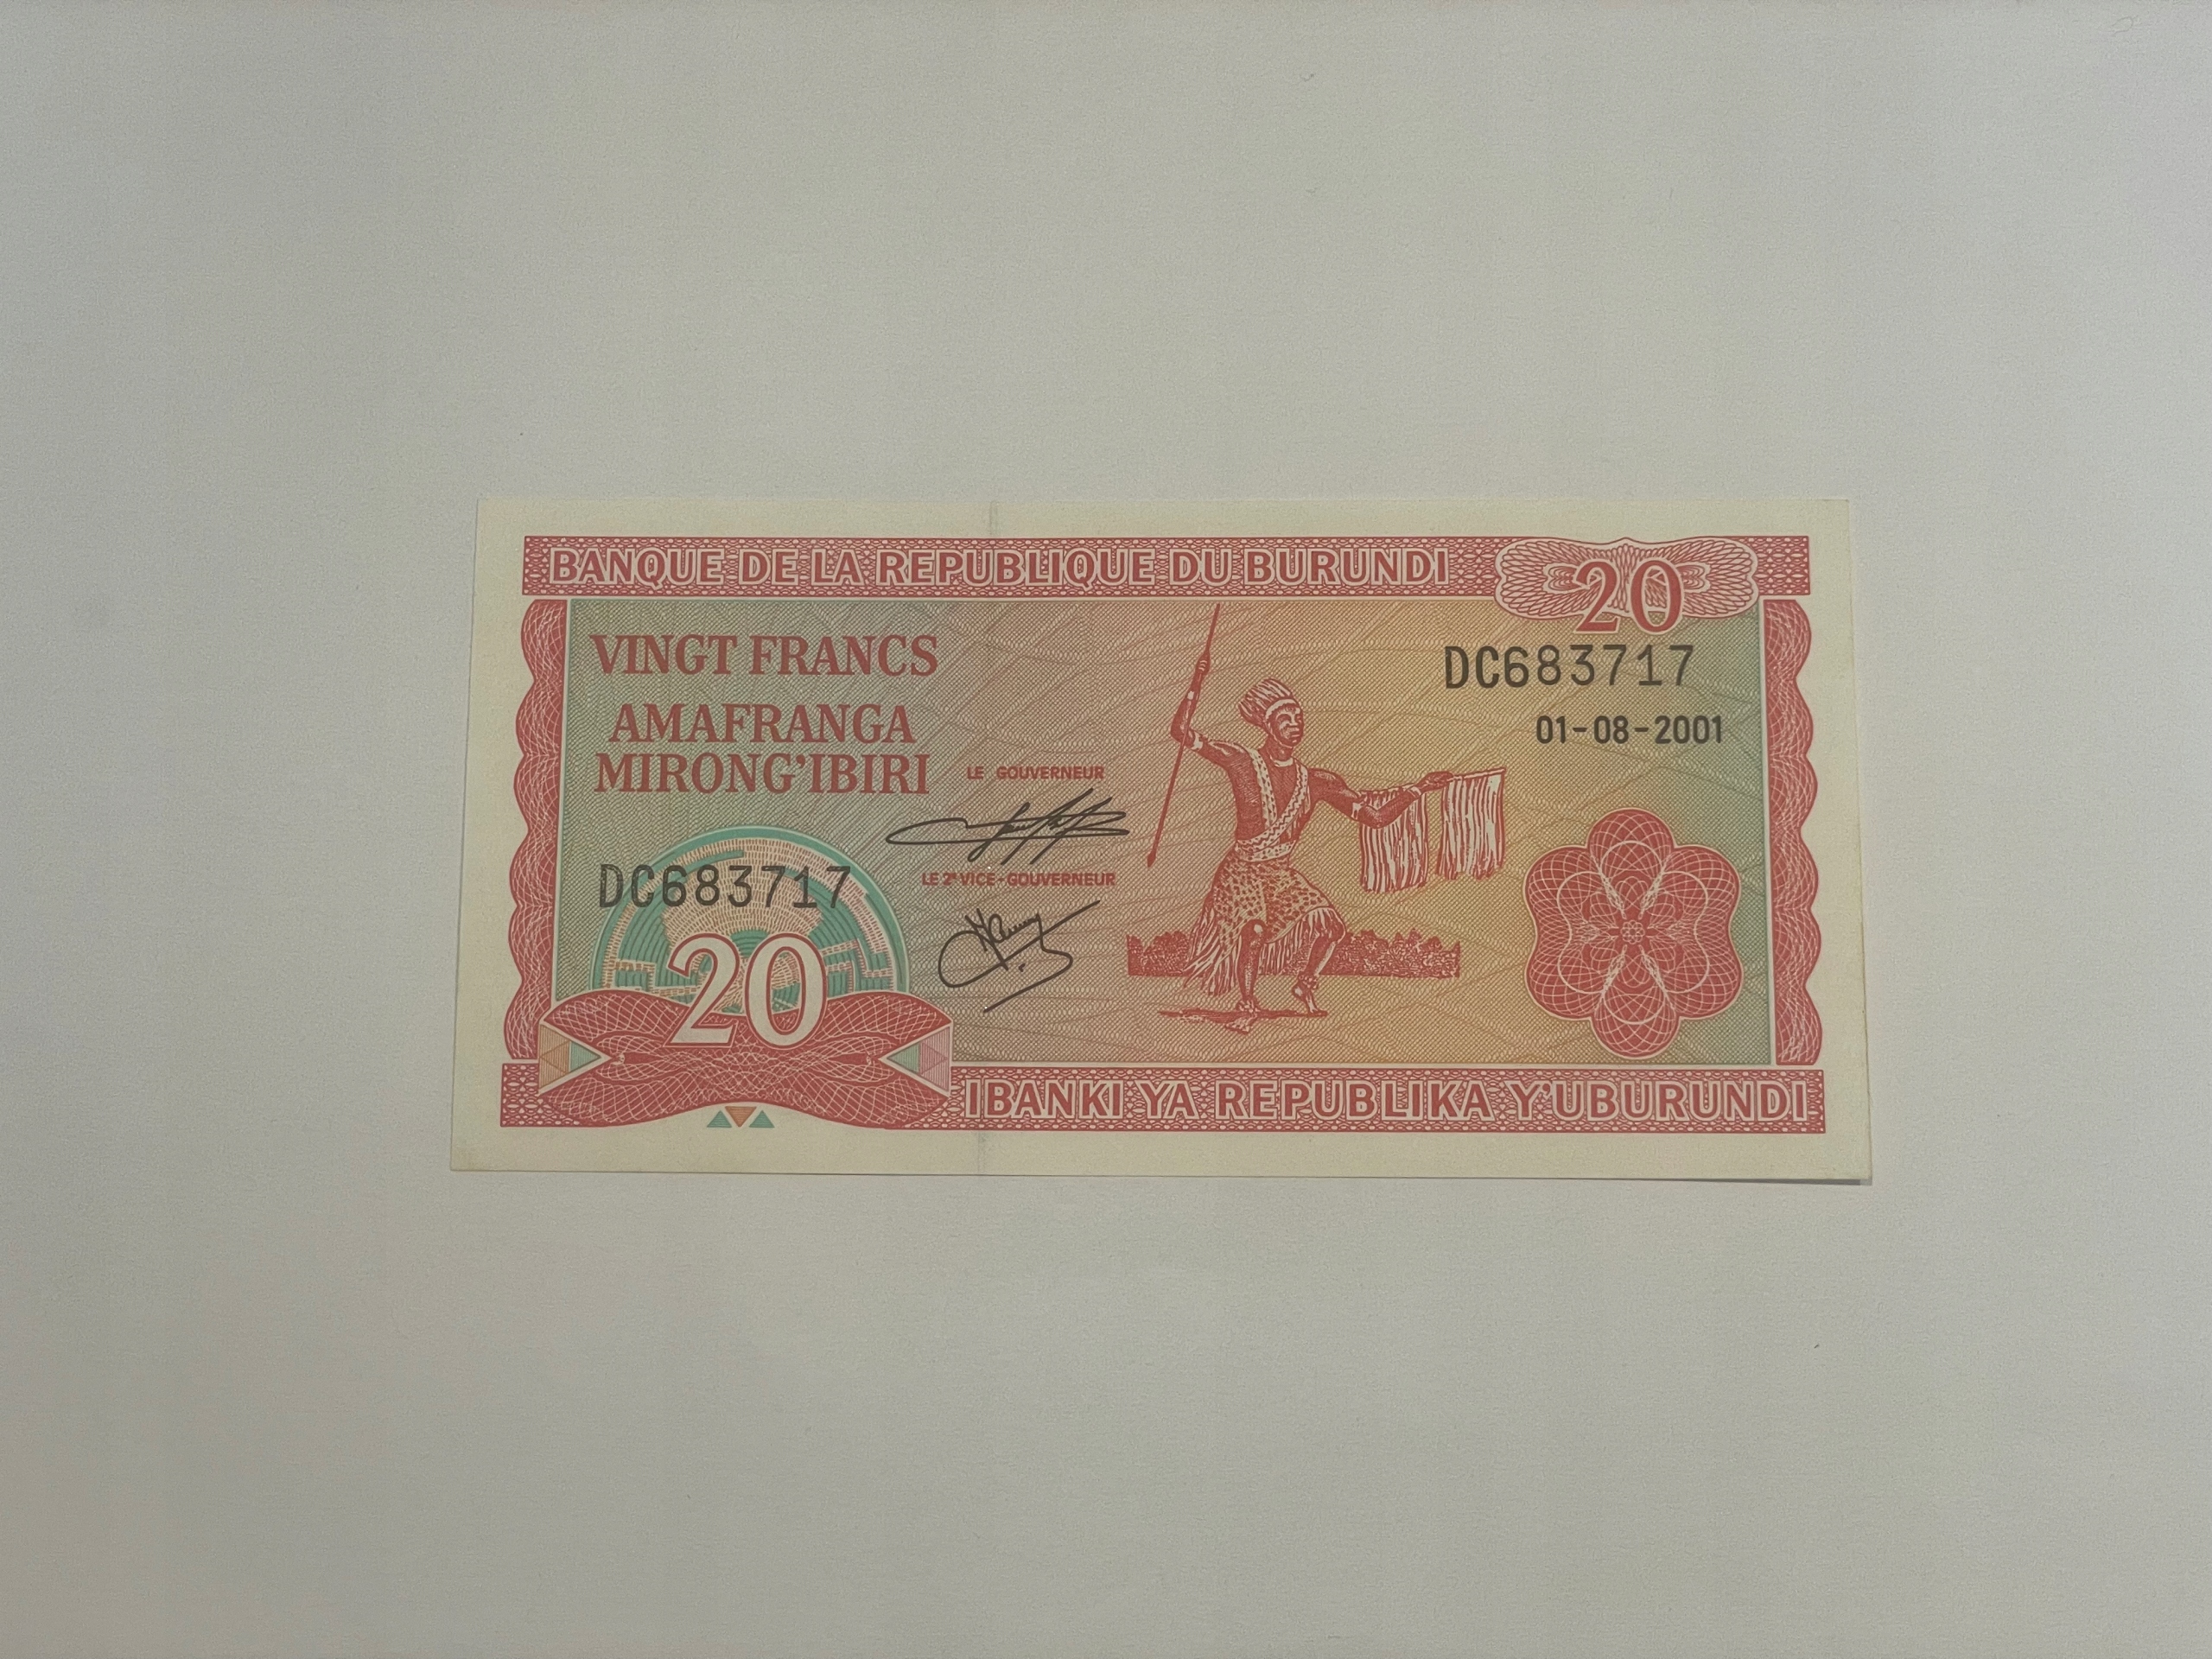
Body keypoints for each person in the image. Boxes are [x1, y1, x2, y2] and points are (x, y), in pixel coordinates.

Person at [1171, 675, 1449, 1029]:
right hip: (1243, 871)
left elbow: (1375, 818)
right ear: (1267, 725)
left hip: (1279, 873)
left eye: (1298, 717)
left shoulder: (1317, 781)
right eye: (1285, 718)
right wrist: (1197, 681)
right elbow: (1181, 731)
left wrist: (1419, 788)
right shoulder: (1241, 760)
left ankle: (1305, 984)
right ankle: (1247, 1003)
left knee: (1332, 927)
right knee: (1253, 932)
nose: (1295, 723)